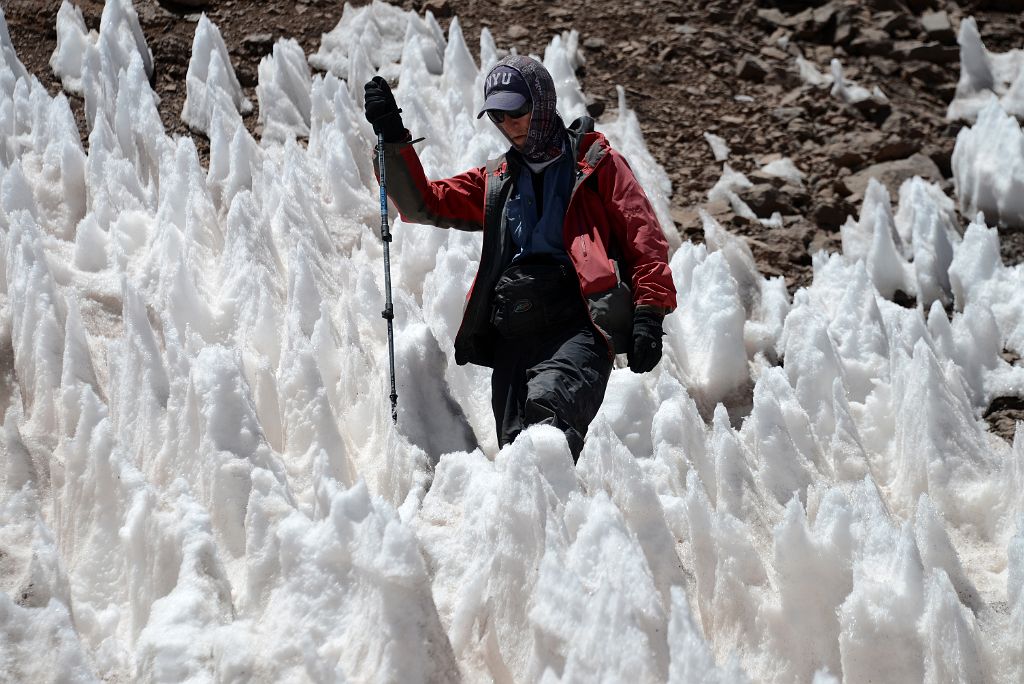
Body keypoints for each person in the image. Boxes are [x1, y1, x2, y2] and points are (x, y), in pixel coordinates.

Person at [363, 55, 676, 461]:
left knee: (549, 421)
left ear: (543, 103)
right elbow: (424, 203)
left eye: (517, 112)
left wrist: (649, 312)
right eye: (497, 116)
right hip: (513, 331)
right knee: (518, 457)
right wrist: (391, 139)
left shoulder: (598, 167)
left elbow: (644, 237)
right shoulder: (498, 178)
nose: (509, 126)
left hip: (577, 323)